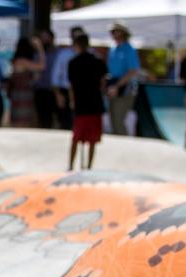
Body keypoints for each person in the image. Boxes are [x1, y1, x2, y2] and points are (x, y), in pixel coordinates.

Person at [67, 33, 108, 170]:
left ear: (77, 45)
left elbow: (71, 85)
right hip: (95, 103)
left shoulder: (73, 62)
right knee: (92, 140)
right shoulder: (98, 61)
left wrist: (72, 101)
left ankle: (70, 166)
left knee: (76, 137)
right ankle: (89, 167)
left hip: (81, 104)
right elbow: (103, 82)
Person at [106, 22, 140, 135]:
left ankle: (125, 148)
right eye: (113, 31)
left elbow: (133, 71)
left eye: (117, 31)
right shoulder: (112, 49)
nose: (115, 34)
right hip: (112, 87)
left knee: (119, 120)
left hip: (126, 88)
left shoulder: (129, 50)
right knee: (112, 121)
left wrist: (117, 86)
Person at [50, 26, 86, 130]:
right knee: (66, 123)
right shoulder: (64, 54)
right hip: (65, 92)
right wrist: (58, 95)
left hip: (84, 93)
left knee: (82, 123)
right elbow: (56, 76)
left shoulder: (91, 55)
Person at [7, 37, 45, 128]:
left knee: (23, 122)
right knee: (22, 123)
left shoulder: (19, 61)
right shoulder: (22, 61)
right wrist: (40, 48)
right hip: (22, 95)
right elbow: (42, 66)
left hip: (21, 95)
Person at [31, 28, 57, 129]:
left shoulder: (58, 54)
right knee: (43, 118)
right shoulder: (37, 55)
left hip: (54, 90)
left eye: (46, 38)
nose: (44, 40)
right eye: (42, 38)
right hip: (41, 90)